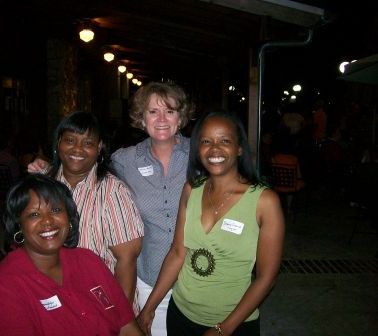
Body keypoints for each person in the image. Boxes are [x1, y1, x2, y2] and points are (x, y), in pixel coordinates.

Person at [137, 110, 285, 336]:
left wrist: (222, 329)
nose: (215, 149)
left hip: (233, 322)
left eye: (225, 141)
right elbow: (178, 252)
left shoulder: (264, 201)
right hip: (181, 313)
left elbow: (267, 277)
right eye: (206, 141)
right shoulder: (192, 189)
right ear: (198, 149)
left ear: (239, 148)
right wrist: (149, 307)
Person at [0, 174, 142, 335]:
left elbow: (127, 328)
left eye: (55, 210)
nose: (48, 221)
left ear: (69, 217)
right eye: (34, 214)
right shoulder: (1, 292)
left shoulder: (89, 261)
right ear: (19, 226)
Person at [27, 111, 144, 312]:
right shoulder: (44, 185)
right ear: (58, 143)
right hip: (55, 297)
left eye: (88, 143)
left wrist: (118, 318)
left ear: (99, 148)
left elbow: (127, 261)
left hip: (100, 303)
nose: (77, 149)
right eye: (70, 140)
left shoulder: (113, 192)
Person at [110, 81, 195, 335]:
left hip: (198, 277)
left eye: (169, 111)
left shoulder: (199, 154)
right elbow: (86, 173)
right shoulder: (125, 160)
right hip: (150, 278)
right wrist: (47, 168)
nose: (161, 119)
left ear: (180, 118)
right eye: (152, 111)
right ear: (141, 117)